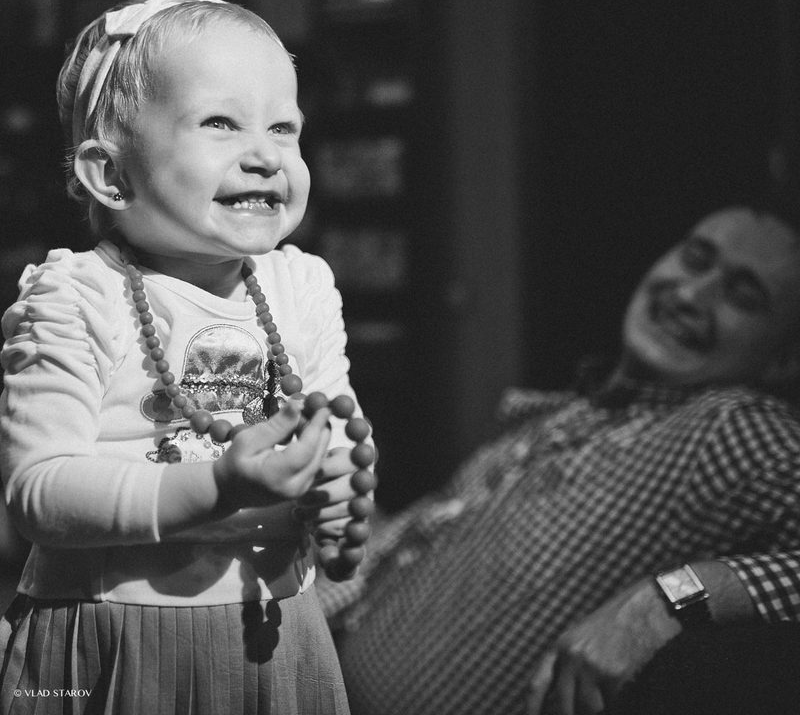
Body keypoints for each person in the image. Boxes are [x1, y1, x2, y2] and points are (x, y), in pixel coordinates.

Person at [0, 0, 375, 714]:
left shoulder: (300, 286)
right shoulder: (76, 295)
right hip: (111, 638)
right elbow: (38, 493)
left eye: (284, 128)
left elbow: (336, 430)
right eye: (221, 124)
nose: (265, 155)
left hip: (276, 631)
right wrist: (217, 488)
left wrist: (336, 489)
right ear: (111, 175)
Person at [316, 204, 800, 715]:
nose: (689, 295)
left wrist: (666, 600)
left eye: (744, 296)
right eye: (696, 259)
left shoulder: (729, 428)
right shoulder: (578, 410)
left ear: (785, 359)